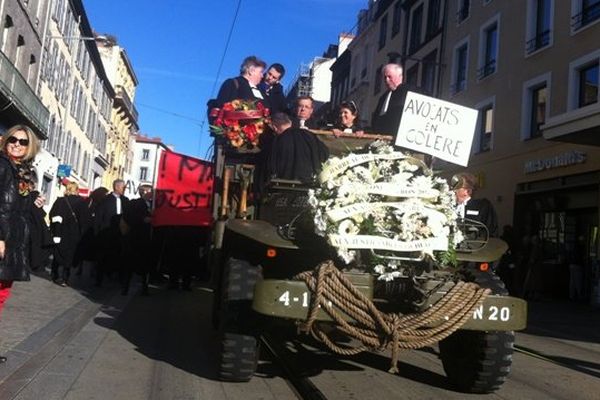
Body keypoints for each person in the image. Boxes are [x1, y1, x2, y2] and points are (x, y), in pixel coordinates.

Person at [0, 125, 46, 363]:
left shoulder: (24, 172)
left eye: (23, 142)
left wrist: (33, 200)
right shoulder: (2, 165)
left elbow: (17, 207)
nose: (17, 144)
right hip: (3, 239)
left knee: (2, 293)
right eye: (13, 139)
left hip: (14, 240)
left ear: (30, 147)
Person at [268, 112, 329, 182]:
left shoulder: (277, 141)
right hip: (310, 183)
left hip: (284, 184)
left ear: (275, 128)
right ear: (290, 122)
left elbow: (271, 166)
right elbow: (325, 154)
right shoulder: (309, 135)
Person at [93, 179, 129, 287]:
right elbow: (98, 218)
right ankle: (99, 279)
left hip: (121, 234)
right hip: (106, 233)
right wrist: (97, 234)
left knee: (119, 256)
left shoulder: (126, 201)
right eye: (123, 187)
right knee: (103, 257)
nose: (125, 189)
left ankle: (117, 277)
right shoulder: (105, 200)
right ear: (117, 187)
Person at [49, 182, 86, 287]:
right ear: (77, 190)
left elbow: (52, 214)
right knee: (70, 255)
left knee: (58, 253)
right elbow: (84, 220)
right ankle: (65, 277)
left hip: (60, 232)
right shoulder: (81, 202)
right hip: (74, 233)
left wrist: (54, 228)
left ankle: (55, 273)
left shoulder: (60, 201)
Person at [121, 184, 154, 295]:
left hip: (148, 240)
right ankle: (125, 287)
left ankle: (145, 287)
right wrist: (142, 219)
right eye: (151, 191)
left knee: (145, 265)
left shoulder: (154, 205)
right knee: (130, 264)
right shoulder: (135, 203)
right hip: (136, 238)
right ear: (144, 192)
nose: (153, 194)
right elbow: (128, 217)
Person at [371, 63, 414, 136]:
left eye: (389, 77)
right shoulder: (383, 98)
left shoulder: (411, 92)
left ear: (400, 76)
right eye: (385, 77)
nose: (387, 80)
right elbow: (376, 120)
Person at [451, 172, 498, 237]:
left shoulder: (483, 206)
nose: (453, 189)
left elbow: (491, 229)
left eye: (457, 186)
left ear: (467, 191)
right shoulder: (449, 207)